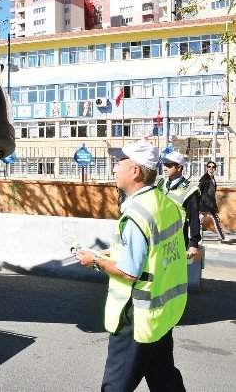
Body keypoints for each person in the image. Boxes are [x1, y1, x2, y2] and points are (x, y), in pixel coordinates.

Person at [75, 140, 187, 392]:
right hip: (161, 312)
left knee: (116, 385)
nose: (115, 169)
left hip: (137, 314)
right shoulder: (164, 203)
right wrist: (113, 253)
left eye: (119, 163)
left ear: (135, 171)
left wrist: (94, 261)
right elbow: (153, 252)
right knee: (163, 376)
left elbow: (129, 272)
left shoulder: (137, 213)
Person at [157, 151, 201, 262]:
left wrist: (193, 244)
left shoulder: (190, 190)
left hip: (177, 241)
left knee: (172, 274)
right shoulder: (162, 183)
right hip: (158, 237)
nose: (165, 168)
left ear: (179, 167)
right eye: (164, 165)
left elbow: (194, 219)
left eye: (169, 165)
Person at [198, 161, 226, 241]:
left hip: (209, 202)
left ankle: (190, 232)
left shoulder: (212, 178)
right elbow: (199, 188)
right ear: (207, 168)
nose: (211, 168)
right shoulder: (205, 178)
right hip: (206, 202)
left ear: (215, 169)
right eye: (209, 166)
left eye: (213, 167)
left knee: (200, 219)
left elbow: (212, 190)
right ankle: (221, 237)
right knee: (215, 218)